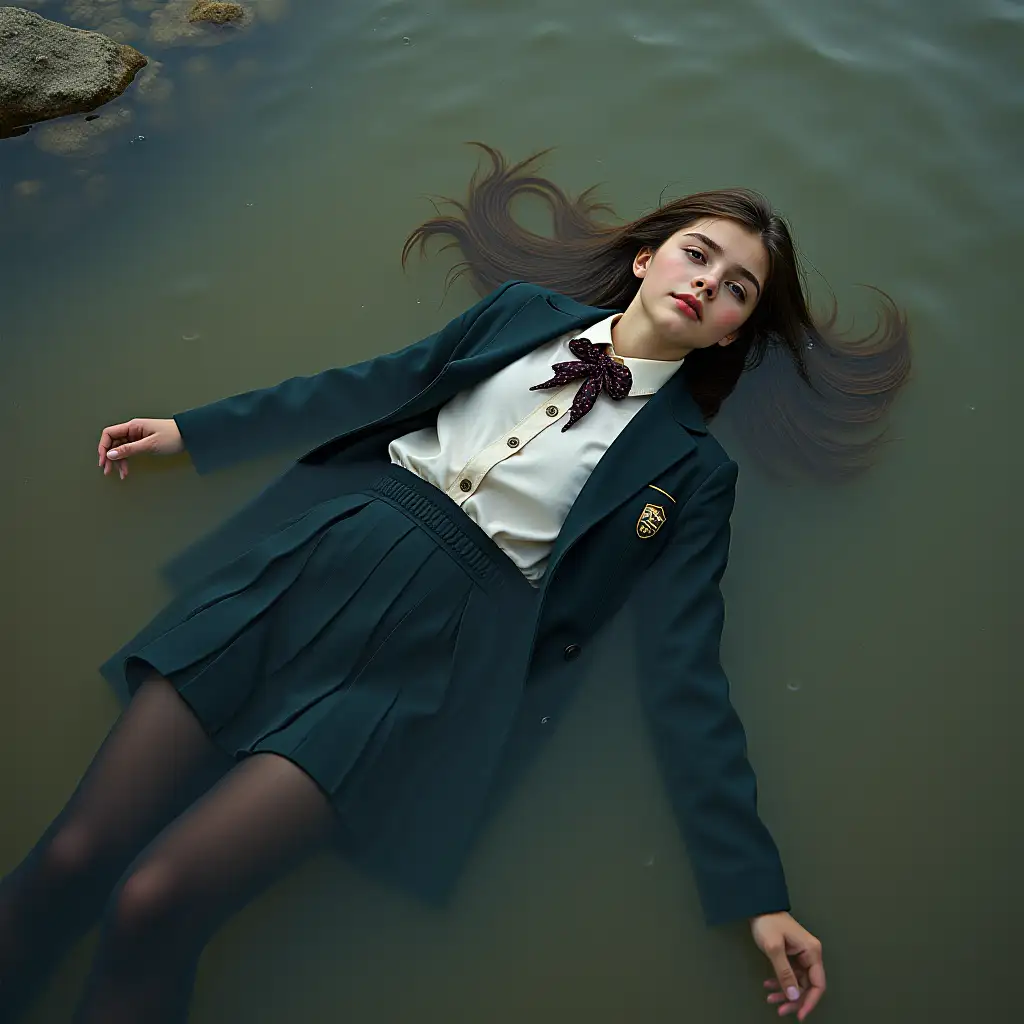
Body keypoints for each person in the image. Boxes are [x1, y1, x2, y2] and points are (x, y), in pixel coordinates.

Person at [0, 145, 909, 1023]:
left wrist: (755, 893)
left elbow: (686, 675)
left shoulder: (694, 473)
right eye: (698, 253)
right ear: (647, 259)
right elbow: (366, 389)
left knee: (155, 901)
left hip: (420, 670)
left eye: (736, 287)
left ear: (731, 329)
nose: (709, 281)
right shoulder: (514, 312)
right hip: (309, 569)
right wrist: (194, 434)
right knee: (76, 853)